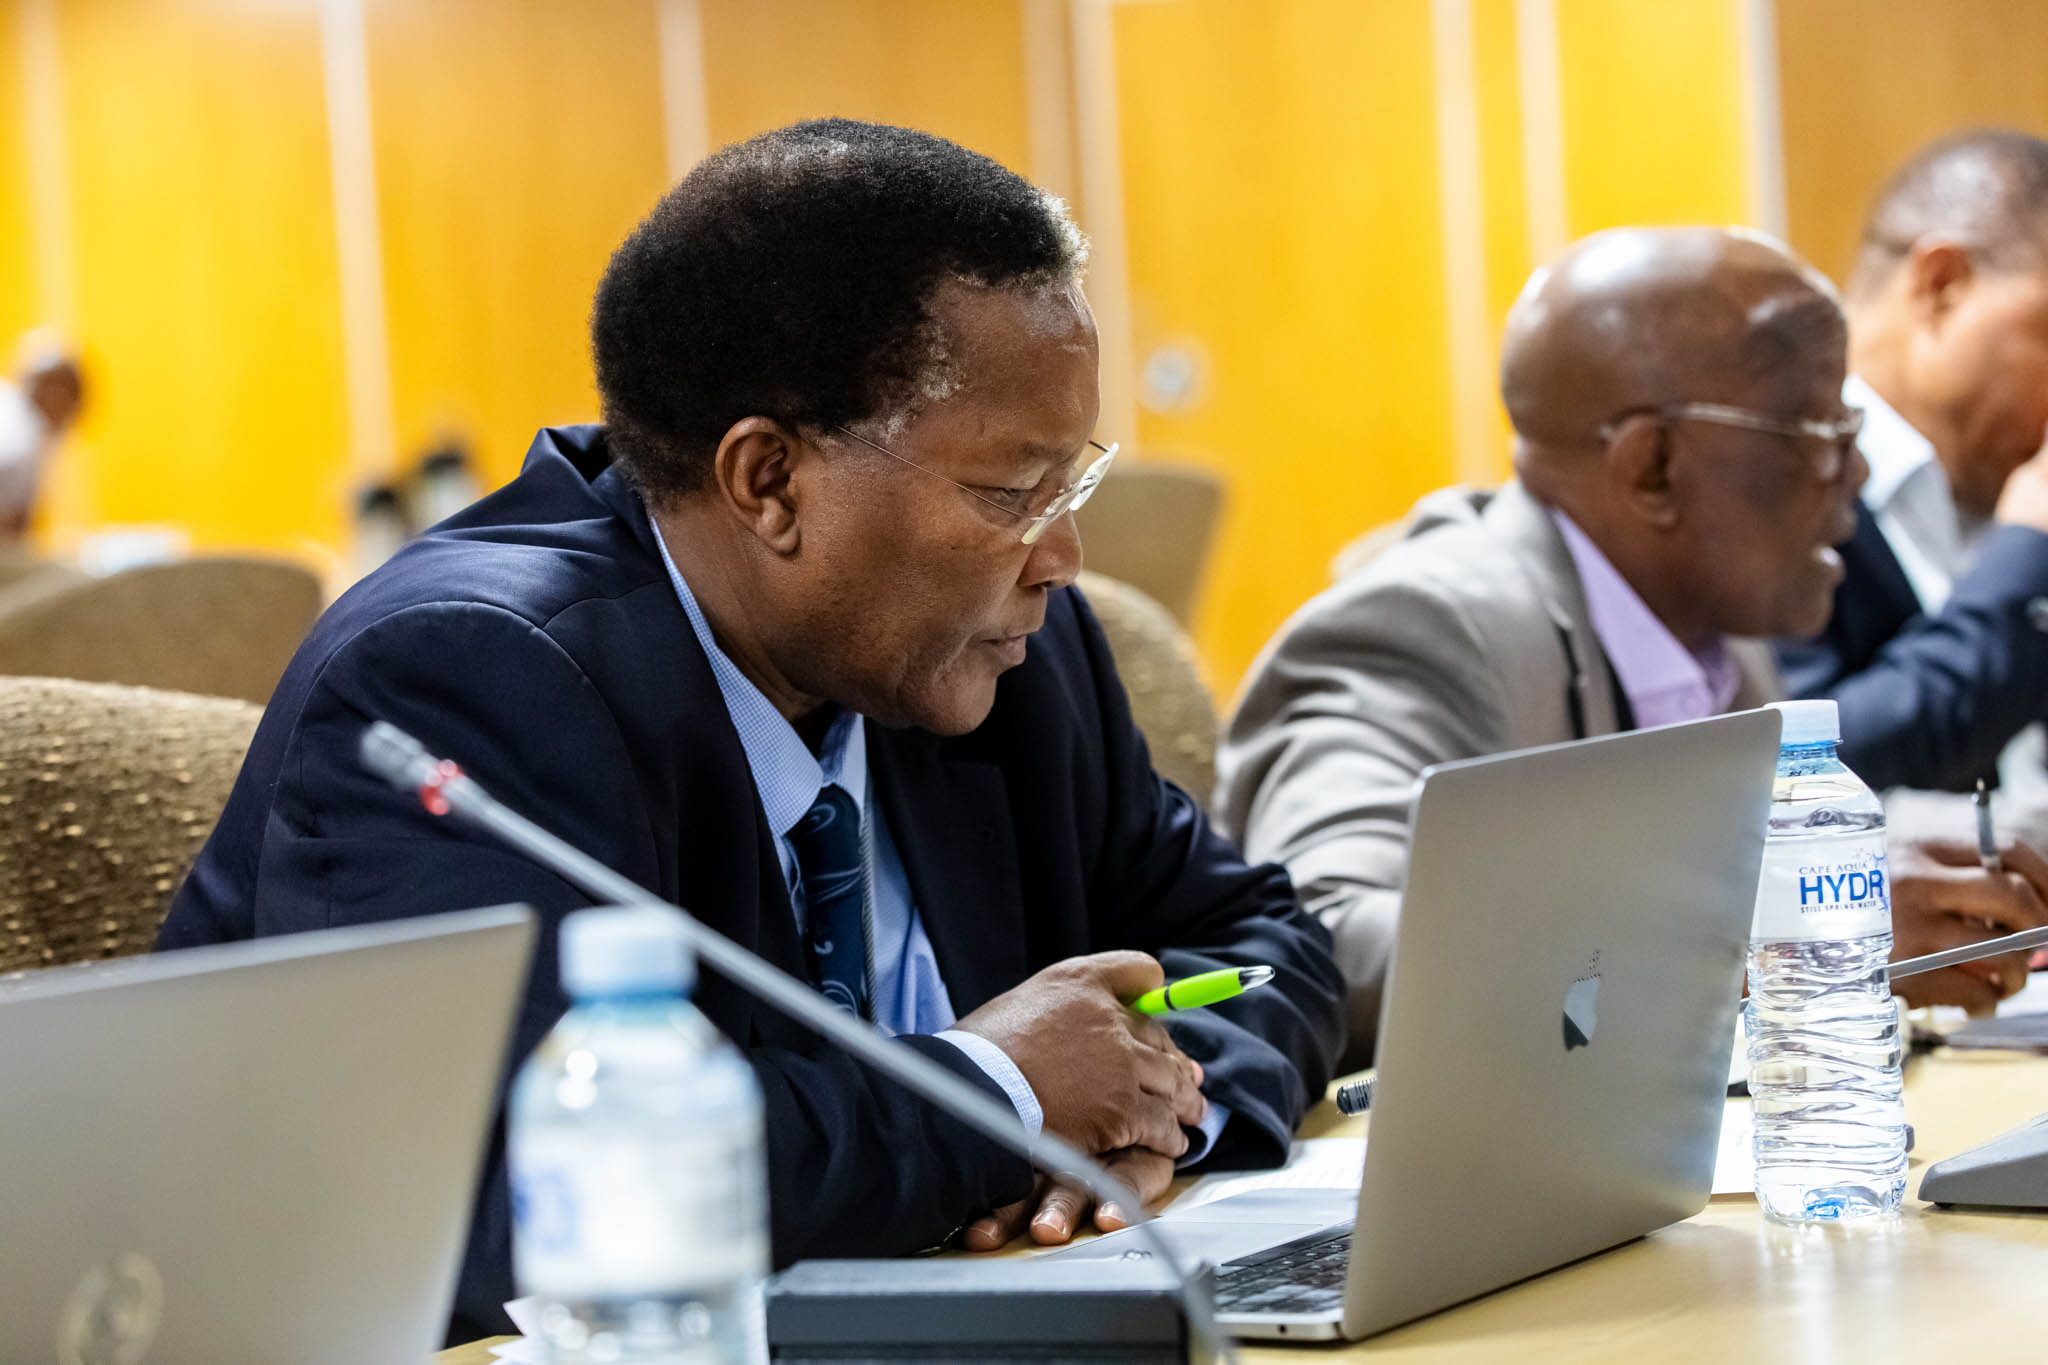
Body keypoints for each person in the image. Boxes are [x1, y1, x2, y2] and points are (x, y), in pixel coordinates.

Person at [157, 119, 1344, 1339]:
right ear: (768, 482)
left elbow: (1261, 946)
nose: (1060, 556)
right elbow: (506, 1201)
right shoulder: (467, 676)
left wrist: (1150, 1110)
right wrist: (997, 1099)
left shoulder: (999, 653)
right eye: (1008, 493)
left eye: (1069, 485)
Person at [1218, 227, 2048, 1068]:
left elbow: (1709, 874)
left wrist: (1908, 859)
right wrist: (1792, 927)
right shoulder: (1421, 629)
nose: (1859, 473)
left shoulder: (1717, 632)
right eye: (1821, 434)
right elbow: (1326, 948)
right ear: (1652, 465)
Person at [1777, 130, 2048, 797]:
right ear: (1941, 285)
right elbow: (1797, 774)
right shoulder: (1761, 481)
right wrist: (2025, 553)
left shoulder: (2003, 475)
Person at [0, 335, 84, 542]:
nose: (60, 399)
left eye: (68, 388)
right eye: (53, 387)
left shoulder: (41, 433)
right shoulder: (17, 437)